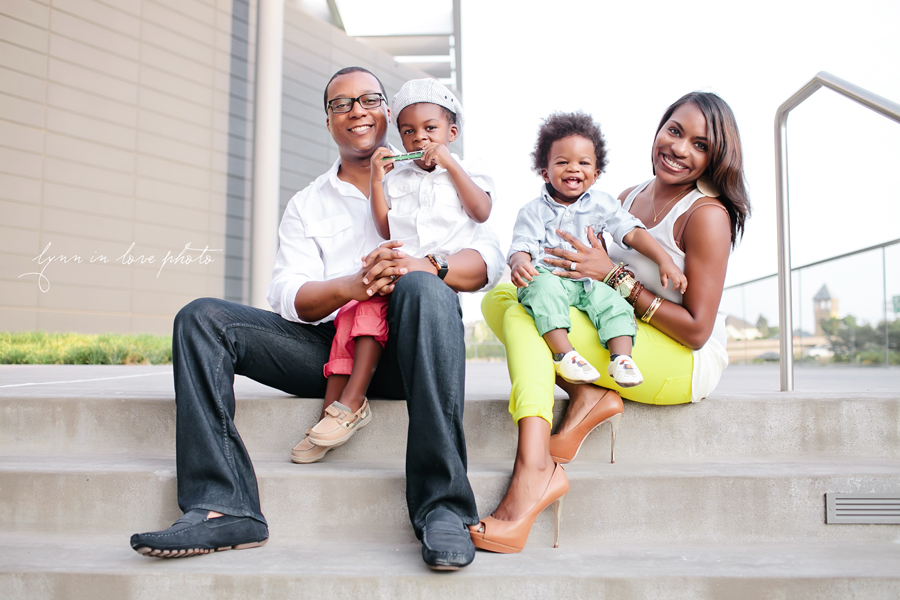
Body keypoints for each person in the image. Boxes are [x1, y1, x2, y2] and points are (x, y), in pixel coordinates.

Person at [129, 67, 504, 571]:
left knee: (422, 287)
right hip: (331, 351)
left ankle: (444, 509)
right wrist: (353, 285)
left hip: (416, 348)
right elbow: (288, 295)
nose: (355, 110)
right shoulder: (308, 203)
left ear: (389, 116)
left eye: (369, 99)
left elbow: (487, 259)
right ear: (328, 122)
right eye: (340, 104)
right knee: (201, 319)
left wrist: (426, 266)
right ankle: (224, 507)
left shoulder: (433, 182)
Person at [472, 92, 750, 554]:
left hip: (683, 360)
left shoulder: (706, 216)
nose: (679, 148)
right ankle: (586, 392)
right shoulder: (628, 196)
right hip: (622, 329)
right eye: (675, 131)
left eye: (699, 145)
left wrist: (616, 277)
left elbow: (698, 331)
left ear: (714, 157)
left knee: (521, 305)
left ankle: (534, 469)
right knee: (508, 292)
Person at [296, 78, 494, 460]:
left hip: (430, 290)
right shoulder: (398, 178)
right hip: (395, 275)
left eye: (430, 130)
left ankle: (349, 405)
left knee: (400, 300)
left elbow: (481, 211)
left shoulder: (470, 171)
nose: (419, 139)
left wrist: (450, 163)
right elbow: (385, 226)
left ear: (452, 132)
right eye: (409, 132)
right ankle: (338, 411)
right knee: (357, 313)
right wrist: (377, 179)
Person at [508, 112, 686, 391]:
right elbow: (522, 244)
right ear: (545, 172)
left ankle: (622, 358)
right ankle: (564, 354)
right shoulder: (533, 210)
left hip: (590, 282)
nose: (573, 168)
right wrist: (520, 263)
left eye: (583, 163)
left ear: (595, 174)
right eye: (562, 162)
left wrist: (664, 259)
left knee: (615, 304)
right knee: (541, 291)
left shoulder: (603, 204)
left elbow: (632, 231)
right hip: (549, 275)